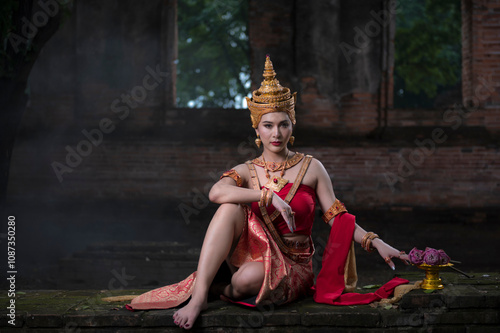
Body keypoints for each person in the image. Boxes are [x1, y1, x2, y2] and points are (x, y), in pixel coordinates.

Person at [124, 56, 410, 329]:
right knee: (229, 207)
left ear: (292, 124)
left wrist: (375, 241)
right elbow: (215, 193)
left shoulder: (312, 167)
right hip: (257, 254)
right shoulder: (248, 171)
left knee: (247, 279)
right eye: (268, 125)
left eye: (283, 124)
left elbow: (338, 217)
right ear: (257, 129)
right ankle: (199, 298)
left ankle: (215, 285)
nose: (277, 133)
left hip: (295, 263)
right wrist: (266, 195)